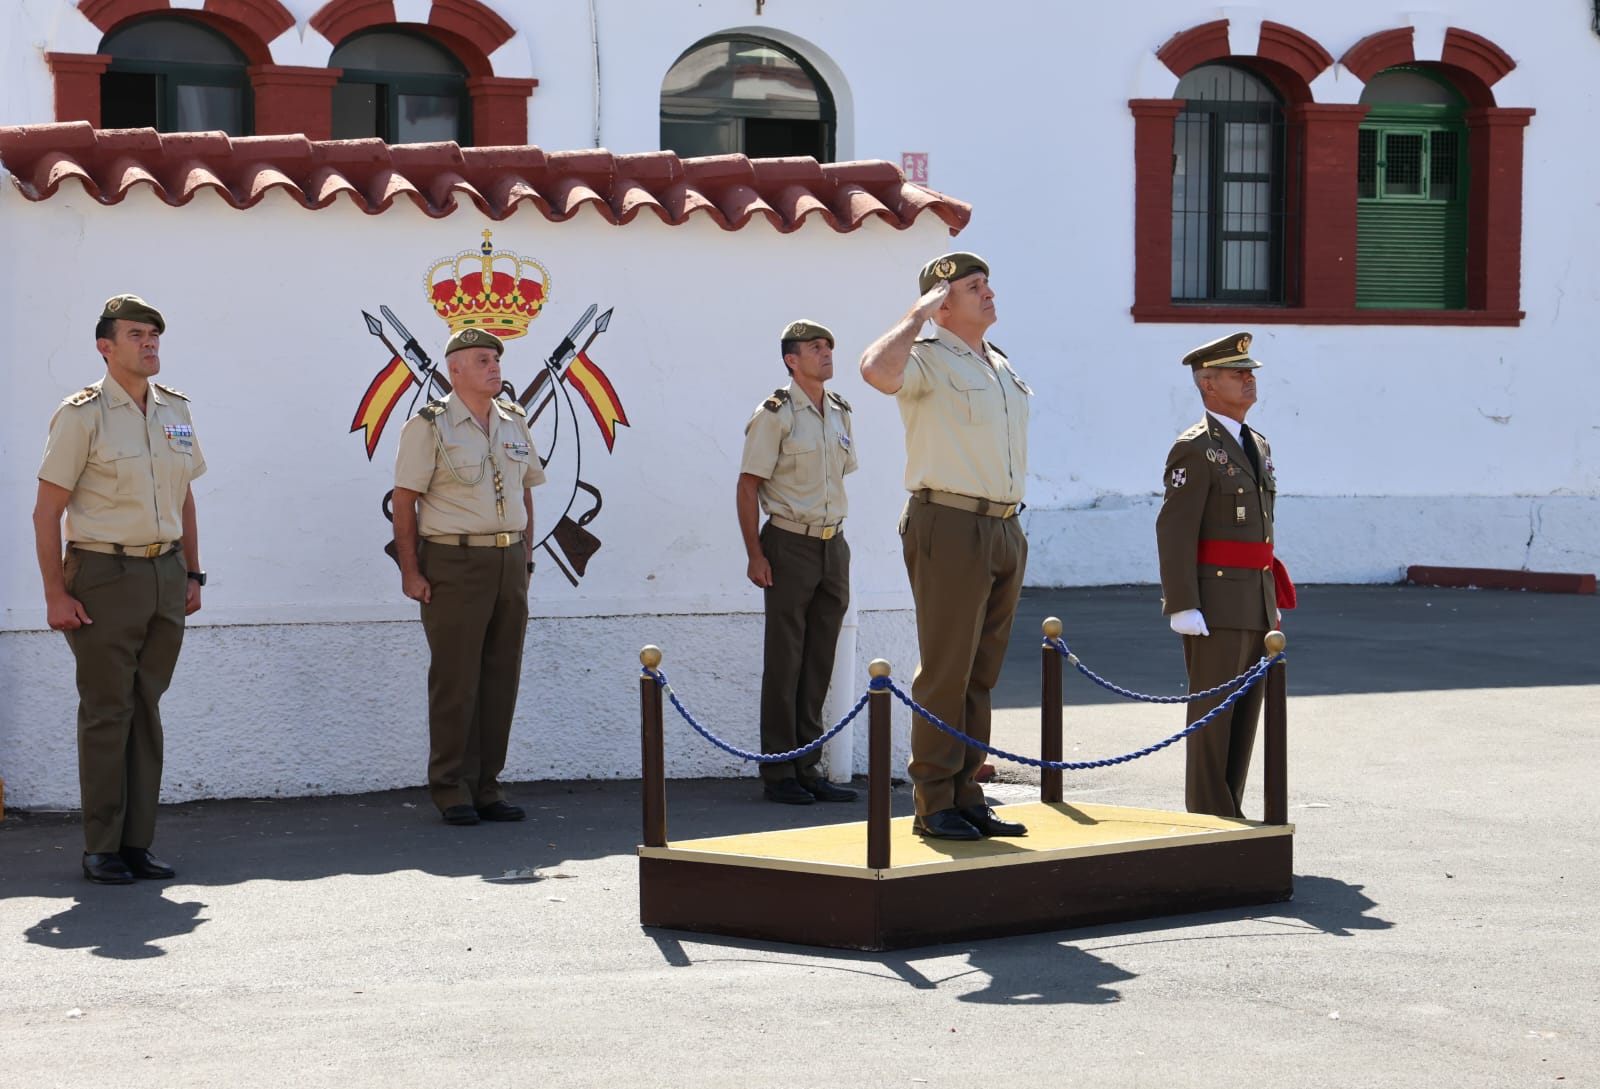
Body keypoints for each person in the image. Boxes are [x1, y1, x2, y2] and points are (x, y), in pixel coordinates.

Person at [33, 294, 206, 884]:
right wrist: (56, 594)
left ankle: (137, 843)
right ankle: (101, 845)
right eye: (136, 334)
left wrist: (193, 572)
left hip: (164, 574)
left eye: (154, 333)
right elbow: (46, 511)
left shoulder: (175, 410)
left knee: (146, 710)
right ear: (106, 347)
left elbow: (184, 495)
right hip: (104, 575)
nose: (150, 342)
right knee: (108, 710)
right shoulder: (82, 415)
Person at [859, 253, 1031, 841]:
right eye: (972, 287)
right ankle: (933, 803)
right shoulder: (926, 358)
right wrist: (915, 317)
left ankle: (966, 794)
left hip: (1004, 526)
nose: (988, 293)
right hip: (950, 523)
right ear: (942, 303)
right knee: (947, 669)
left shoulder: (998, 365)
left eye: (987, 282)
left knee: (981, 672)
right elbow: (875, 372)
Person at [392, 327, 545, 826]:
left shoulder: (514, 421)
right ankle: (451, 787)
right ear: (455, 370)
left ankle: (487, 786)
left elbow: (526, 493)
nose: (494, 367)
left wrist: (524, 559)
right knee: (457, 680)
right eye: (482, 360)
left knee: (501, 677)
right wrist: (410, 572)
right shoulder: (429, 425)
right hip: (454, 562)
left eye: (496, 359)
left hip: (507, 561)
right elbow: (405, 501)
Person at [1155, 331, 1295, 819]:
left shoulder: (1255, 442)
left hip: (1253, 598)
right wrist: (1182, 603)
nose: (1249, 380)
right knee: (1212, 717)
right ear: (1208, 384)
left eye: (1250, 372)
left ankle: (1230, 809)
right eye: (1238, 374)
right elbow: (1175, 530)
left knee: (1244, 714)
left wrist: (1269, 599)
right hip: (1213, 601)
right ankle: (1209, 814)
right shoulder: (1196, 448)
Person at [737, 320, 860, 805]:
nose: (826, 353)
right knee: (785, 662)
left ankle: (809, 766)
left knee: (819, 661)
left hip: (833, 545)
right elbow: (748, 485)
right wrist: (755, 553)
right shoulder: (776, 414)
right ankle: (779, 773)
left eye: (829, 345)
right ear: (792, 359)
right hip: (788, 544)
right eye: (815, 347)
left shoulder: (840, 411)